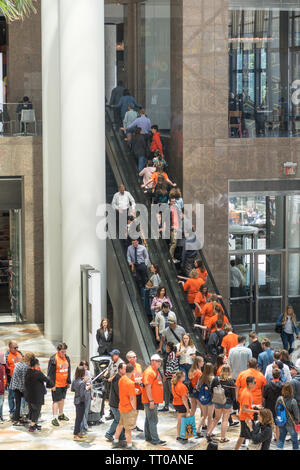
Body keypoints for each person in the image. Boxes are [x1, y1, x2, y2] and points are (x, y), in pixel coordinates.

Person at [206, 364, 236, 443]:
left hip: (217, 401)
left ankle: (208, 433)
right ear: (229, 371)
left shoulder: (216, 379)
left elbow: (211, 389)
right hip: (227, 402)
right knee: (225, 420)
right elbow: (233, 394)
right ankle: (223, 438)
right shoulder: (231, 381)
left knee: (216, 418)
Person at [142, 354, 166, 446]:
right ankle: (155, 440)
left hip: (154, 400)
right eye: (158, 361)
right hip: (151, 401)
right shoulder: (149, 372)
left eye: (160, 361)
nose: (160, 363)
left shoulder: (155, 371)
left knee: (149, 419)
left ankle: (148, 437)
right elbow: (148, 387)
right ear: (152, 362)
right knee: (153, 420)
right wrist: (151, 401)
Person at [24, 357, 53, 433]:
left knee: (31, 410)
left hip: (29, 395)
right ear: (36, 365)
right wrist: (50, 380)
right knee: (36, 411)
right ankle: (32, 426)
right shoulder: (38, 373)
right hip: (36, 396)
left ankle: (33, 424)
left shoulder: (27, 372)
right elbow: (46, 379)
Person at [112, 363, 138, 450]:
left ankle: (115, 441)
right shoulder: (130, 383)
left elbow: (124, 391)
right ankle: (129, 445)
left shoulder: (122, 379)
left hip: (121, 406)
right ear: (133, 371)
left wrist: (133, 390)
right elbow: (131, 398)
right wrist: (134, 408)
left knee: (120, 424)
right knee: (128, 428)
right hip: (128, 408)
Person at [47, 342, 71, 427]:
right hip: (56, 384)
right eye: (62, 352)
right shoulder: (53, 359)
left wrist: (68, 381)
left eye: (65, 352)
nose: (63, 353)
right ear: (58, 350)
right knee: (56, 401)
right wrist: (52, 385)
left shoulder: (67, 358)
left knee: (62, 399)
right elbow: (49, 373)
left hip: (64, 383)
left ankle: (61, 415)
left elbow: (69, 370)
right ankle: (54, 418)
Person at [10, 352, 35, 426]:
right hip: (19, 387)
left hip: (15, 386)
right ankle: (26, 419)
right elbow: (24, 380)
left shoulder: (18, 363)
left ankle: (16, 419)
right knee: (25, 403)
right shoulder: (25, 367)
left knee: (18, 403)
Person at [235, 376, 258, 451]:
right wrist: (256, 411)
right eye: (254, 382)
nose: (255, 384)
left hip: (245, 417)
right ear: (250, 384)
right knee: (254, 437)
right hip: (246, 418)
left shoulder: (247, 391)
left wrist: (255, 406)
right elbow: (244, 409)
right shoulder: (246, 394)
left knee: (242, 436)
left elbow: (247, 406)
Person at [105, 362, 127, 444]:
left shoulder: (122, 377)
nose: (126, 370)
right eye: (125, 368)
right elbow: (119, 392)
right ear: (120, 370)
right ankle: (109, 433)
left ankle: (121, 435)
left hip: (118, 403)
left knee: (122, 420)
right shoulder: (117, 378)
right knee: (118, 420)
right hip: (115, 404)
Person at [276, 383, 300, 450]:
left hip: (281, 422)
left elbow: (276, 409)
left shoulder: (279, 399)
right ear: (291, 390)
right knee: (294, 440)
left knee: (281, 439)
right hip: (291, 423)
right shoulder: (293, 401)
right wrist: (297, 421)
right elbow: (296, 413)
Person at [71, 366, 91, 442]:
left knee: (78, 418)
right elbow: (83, 394)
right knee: (79, 419)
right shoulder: (82, 382)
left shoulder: (75, 380)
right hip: (81, 402)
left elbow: (72, 389)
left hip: (76, 400)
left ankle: (78, 433)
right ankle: (75, 435)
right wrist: (87, 388)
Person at [263, 368, 283, 441]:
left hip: (269, 406)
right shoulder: (282, 385)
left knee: (268, 423)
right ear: (280, 375)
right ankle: (278, 439)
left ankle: (268, 439)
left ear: (272, 375)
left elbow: (264, 396)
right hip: (279, 407)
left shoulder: (267, 385)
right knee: (278, 424)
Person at [171, 370, 191, 444]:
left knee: (180, 420)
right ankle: (183, 436)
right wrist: (188, 409)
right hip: (181, 404)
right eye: (184, 376)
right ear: (181, 377)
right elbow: (184, 399)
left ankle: (178, 435)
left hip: (176, 403)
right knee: (183, 421)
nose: (185, 377)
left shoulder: (174, 384)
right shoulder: (182, 386)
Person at [126, 351, 144, 432]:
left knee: (137, 410)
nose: (135, 358)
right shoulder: (127, 367)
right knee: (132, 410)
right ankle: (130, 425)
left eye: (135, 356)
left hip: (139, 390)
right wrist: (135, 382)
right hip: (132, 391)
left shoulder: (139, 366)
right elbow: (126, 380)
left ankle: (134, 425)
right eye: (133, 357)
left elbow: (141, 375)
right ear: (129, 358)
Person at [5, 340, 23, 418]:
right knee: (11, 396)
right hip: (11, 379)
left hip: (20, 379)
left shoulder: (20, 353)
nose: (16, 349)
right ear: (10, 348)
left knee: (20, 396)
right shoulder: (7, 356)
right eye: (14, 348)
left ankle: (19, 411)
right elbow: (5, 370)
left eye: (17, 347)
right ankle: (12, 412)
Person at [160, 342, 179, 412]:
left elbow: (171, 365)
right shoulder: (169, 354)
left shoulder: (172, 354)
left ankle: (179, 406)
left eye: (166, 346)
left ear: (168, 347)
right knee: (167, 391)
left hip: (171, 376)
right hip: (168, 376)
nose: (165, 348)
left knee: (173, 392)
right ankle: (166, 406)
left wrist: (166, 375)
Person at [197, 363, 215, 436]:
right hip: (211, 399)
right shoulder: (212, 378)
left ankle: (198, 430)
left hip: (203, 398)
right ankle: (209, 432)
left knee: (204, 415)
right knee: (210, 416)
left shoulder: (202, 377)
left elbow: (198, 387)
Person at [188, 356, 204, 425]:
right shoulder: (199, 372)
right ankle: (202, 425)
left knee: (193, 409)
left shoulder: (191, 371)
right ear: (198, 363)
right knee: (203, 410)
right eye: (202, 361)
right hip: (198, 392)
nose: (203, 363)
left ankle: (190, 427)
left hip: (192, 392)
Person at [78, 360, 92, 436]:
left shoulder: (88, 373)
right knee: (81, 412)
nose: (85, 367)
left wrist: (91, 394)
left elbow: (91, 383)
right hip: (81, 395)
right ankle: (81, 428)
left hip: (88, 393)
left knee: (86, 411)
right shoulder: (79, 374)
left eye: (86, 365)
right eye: (83, 365)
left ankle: (85, 426)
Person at [0, 353, 7, 423]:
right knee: (0, 403)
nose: (4, 358)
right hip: (0, 388)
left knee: (2, 403)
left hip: (2, 388)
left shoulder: (3, 367)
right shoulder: (1, 367)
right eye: (3, 357)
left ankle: (1, 416)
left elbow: (8, 370)